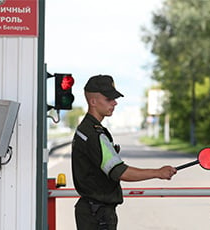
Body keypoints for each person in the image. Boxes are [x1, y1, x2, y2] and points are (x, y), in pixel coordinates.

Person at [71, 74, 177, 230]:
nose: (114, 103)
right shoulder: (94, 135)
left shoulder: (86, 130)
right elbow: (120, 172)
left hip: (92, 212)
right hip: (98, 216)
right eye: (108, 99)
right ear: (93, 101)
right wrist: (157, 172)